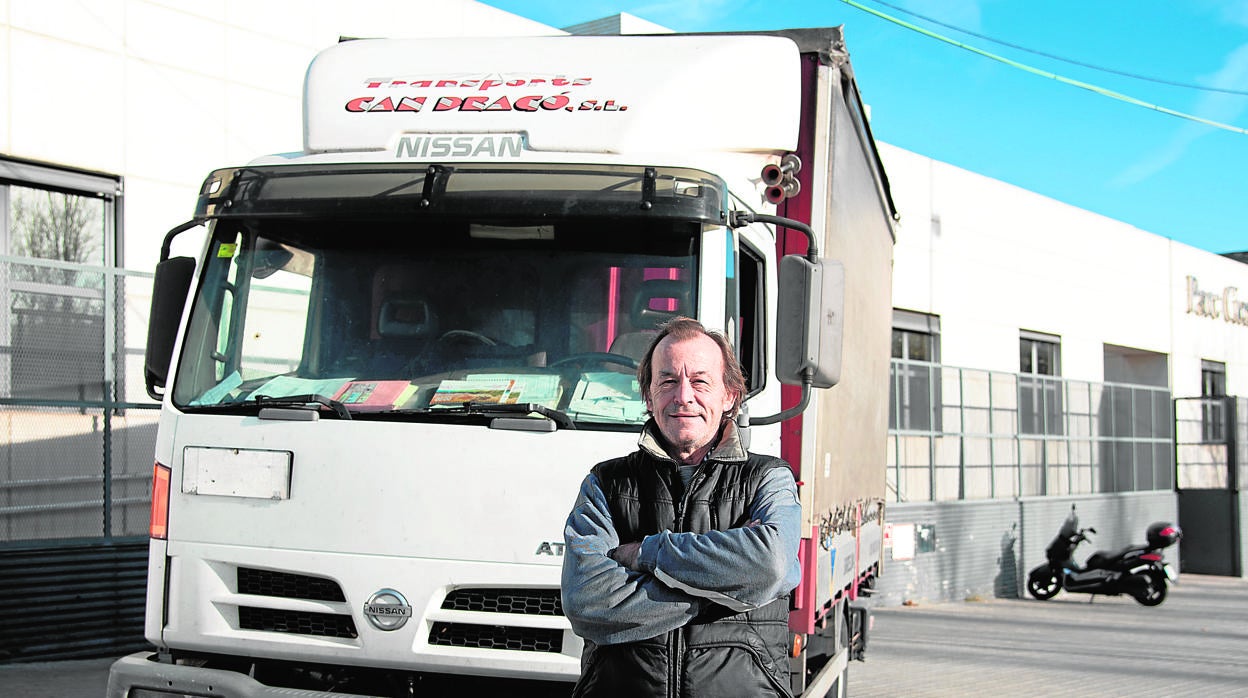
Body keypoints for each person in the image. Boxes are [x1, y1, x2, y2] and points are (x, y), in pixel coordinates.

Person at [561, 316, 802, 697]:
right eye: (668, 381)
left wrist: (647, 553)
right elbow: (586, 600)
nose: (684, 395)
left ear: (730, 396)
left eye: (700, 381)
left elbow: (769, 564)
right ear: (649, 395)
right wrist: (735, 585)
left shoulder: (767, 478)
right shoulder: (606, 484)